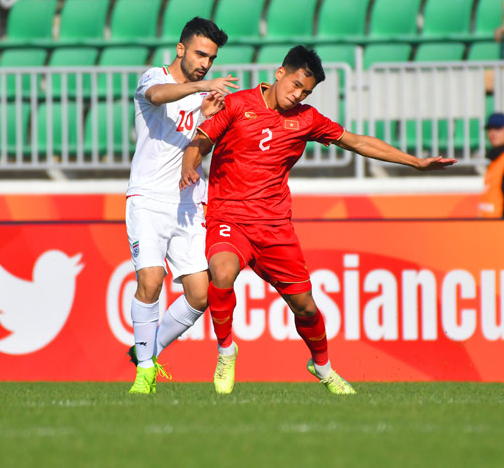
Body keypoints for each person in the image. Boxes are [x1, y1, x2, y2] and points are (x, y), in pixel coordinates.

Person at [180, 46, 456, 395]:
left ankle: (322, 366)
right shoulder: (238, 104)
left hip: (275, 226)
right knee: (221, 271)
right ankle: (226, 351)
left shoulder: (307, 119)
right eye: (295, 85)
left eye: (305, 92)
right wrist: (190, 164)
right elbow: (201, 139)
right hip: (229, 216)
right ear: (280, 73)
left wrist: (414, 162)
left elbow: (357, 142)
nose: (297, 95)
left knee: (305, 306)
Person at [126, 17, 239, 395]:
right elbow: (157, 97)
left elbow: (197, 142)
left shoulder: (203, 96)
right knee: (151, 281)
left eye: (211, 58)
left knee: (200, 294)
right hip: (148, 198)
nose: (206, 63)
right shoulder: (152, 77)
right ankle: (145, 371)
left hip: (188, 201)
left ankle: (148, 350)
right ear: (181, 49)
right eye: (200, 54)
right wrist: (200, 87)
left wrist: (207, 117)